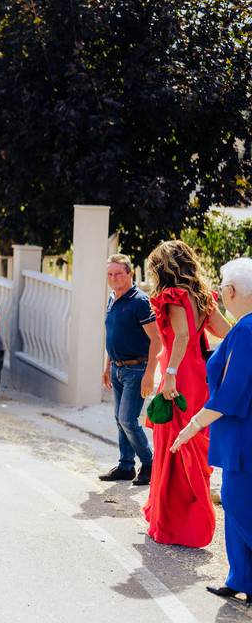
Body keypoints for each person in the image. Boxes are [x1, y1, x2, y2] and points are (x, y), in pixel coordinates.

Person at [171, 258, 252, 604]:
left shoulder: (247, 330)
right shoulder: (244, 327)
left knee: (238, 503)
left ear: (232, 291)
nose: (219, 292)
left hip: (243, 437)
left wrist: (191, 425)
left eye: (221, 287)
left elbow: (231, 393)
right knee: (235, 508)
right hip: (238, 435)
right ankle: (240, 578)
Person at [143, 240, 230, 547]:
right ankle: (183, 517)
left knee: (174, 446)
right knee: (188, 442)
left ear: (164, 267)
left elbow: (180, 336)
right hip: (196, 376)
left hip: (179, 375)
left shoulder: (174, 295)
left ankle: (177, 524)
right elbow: (225, 331)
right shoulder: (201, 295)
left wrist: (169, 375)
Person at [99, 254, 162, 486]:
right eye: (110, 274)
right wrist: (107, 366)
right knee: (119, 418)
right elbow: (113, 336)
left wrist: (150, 374)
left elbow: (156, 340)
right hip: (117, 368)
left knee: (127, 419)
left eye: (118, 273)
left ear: (129, 274)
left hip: (137, 370)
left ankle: (149, 462)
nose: (113, 278)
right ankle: (126, 466)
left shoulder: (140, 301)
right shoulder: (112, 299)